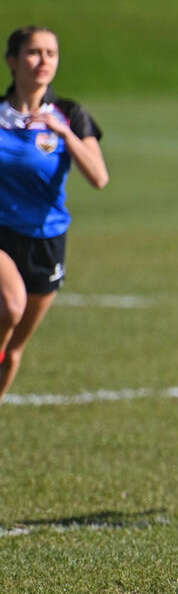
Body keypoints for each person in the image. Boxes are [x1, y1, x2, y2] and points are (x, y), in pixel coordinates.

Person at [0, 25, 109, 401]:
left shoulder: (70, 114)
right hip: (2, 235)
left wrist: (64, 135)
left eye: (51, 53)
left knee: (13, 350)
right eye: (34, 52)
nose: (44, 61)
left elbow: (99, 178)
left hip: (47, 242)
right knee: (10, 306)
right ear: (13, 61)